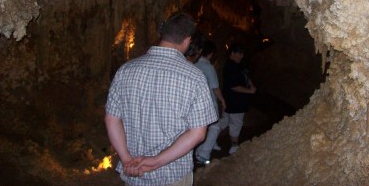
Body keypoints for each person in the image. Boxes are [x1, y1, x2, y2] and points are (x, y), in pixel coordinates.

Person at [105, 12, 217, 186]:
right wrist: (156, 161)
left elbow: (111, 119)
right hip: (172, 175)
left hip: (134, 173)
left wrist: (127, 159)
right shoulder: (194, 77)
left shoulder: (125, 70)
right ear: (187, 41)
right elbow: (198, 133)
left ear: (162, 35)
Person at [219, 43, 256, 154]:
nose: (241, 56)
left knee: (224, 122)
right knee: (236, 123)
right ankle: (234, 147)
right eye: (239, 53)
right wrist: (249, 91)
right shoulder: (230, 67)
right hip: (235, 102)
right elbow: (233, 86)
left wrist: (251, 84)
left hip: (233, 101)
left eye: (242, 53)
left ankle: (209, 142)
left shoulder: (238, 65)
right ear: (233, 53)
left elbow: (246, 76)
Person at [194, 40, 226, 164]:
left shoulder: (194, 65)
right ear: (210, 53)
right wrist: (222, 100)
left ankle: (199, 151)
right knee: (215, 127)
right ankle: (203, 154)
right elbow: (215, 87)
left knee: (201, 127)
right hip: (208, 103)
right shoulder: (208, 67)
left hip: (195, 102)